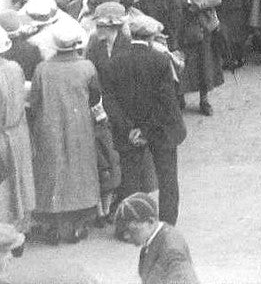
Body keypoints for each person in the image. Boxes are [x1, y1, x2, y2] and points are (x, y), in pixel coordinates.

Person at [106, 16, 186, 227]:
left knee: (130, 177)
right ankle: (167, 223)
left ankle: (130, 224)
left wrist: (130, 129)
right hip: (160, 130)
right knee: (167, 177)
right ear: (151, 37)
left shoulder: (115, 61)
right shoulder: (160, 60)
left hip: (127, 131)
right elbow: (166, 101)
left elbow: (110, 100)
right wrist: (146, 130)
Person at [28, 21, 101, 244]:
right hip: (80, 126)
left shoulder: (43, 69)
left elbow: (34, 100)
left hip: (49, 126)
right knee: (80, 169)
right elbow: (95, 97)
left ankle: (53, 223)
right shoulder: (87, 66)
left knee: (52, 170)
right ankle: (79, 221)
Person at [166, 0, 222, 115]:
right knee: (181, 60)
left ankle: (204, 100)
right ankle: (180, 97)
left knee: (204, 60)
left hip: (201, 21)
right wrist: (185, 3)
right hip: (180, 22)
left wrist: (197, 2)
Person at [114, 192, 200, 284]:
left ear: (150, 221)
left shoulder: (172, 252)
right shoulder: (153, 239)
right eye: (124, 232)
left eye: (132, 230)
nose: (126, 236)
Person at [0, 29, 33, 239]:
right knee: (19, 181)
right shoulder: (15, 68)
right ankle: (19, 229)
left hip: (2, 136)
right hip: (18, 132)